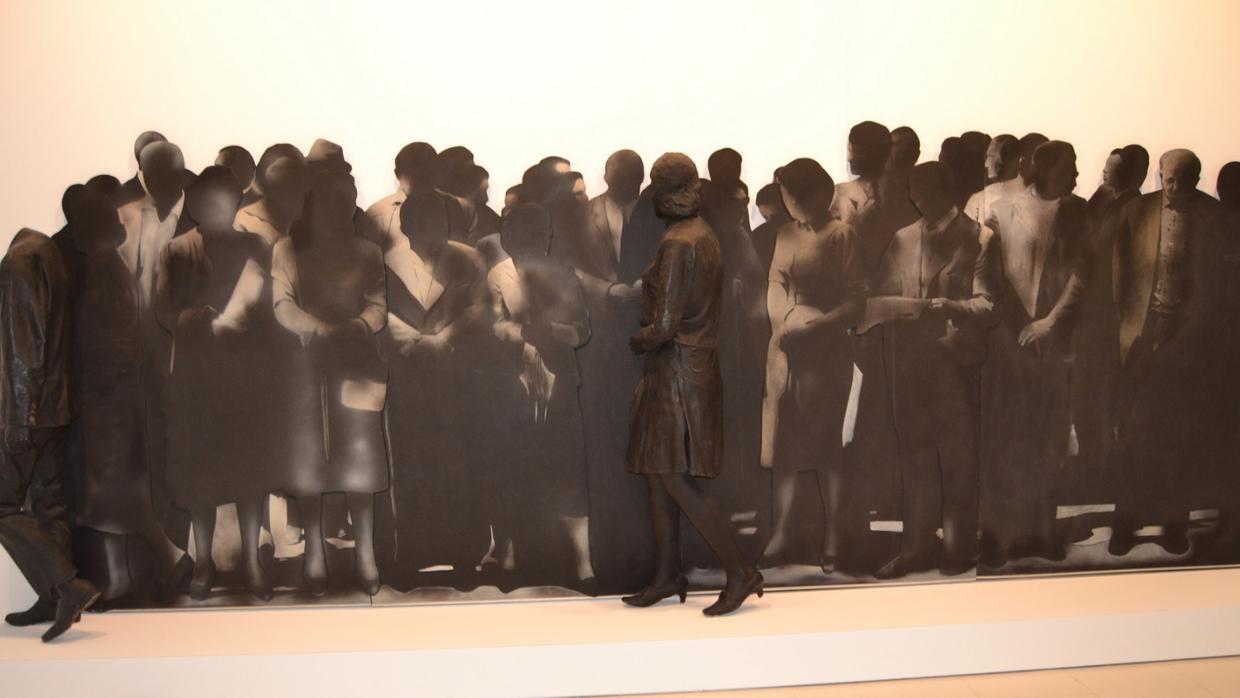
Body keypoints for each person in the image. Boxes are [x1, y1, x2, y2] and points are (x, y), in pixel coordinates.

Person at [623, 153, 762, 616]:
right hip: (688, 367)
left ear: (664, 193)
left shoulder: (679, 243)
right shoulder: (702, 233)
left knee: (672, 477)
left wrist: (634, 338)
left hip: (675, 371)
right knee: (657, 471)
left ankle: (740, 570)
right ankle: (667, 575)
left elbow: (664, 325)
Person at [865, 162, 998, 578]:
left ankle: (958, 548)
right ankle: (916, 548)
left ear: (945, 192)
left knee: (958, 458)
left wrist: (951, 307)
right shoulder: (902, 238)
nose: (915, 199)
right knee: (914, 457)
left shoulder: (980, 238)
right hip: (908, 362)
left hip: (956, 363)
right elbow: (881, 293)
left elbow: (989, 305)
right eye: (912, 191)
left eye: (922, 192)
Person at [155, 167, 281, 601]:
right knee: (200, 475)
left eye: (224, 201)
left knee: (249, 472)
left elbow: (271, 308)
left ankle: (251, 561)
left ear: (236, 203)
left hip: (245, 377)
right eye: (206, 202)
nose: (215, 210)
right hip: (197, 379)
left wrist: (249, 322)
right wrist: (201, 319)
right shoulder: (177, 250)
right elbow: (163, 311)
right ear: (194, 205)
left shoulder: (255, 246)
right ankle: (204, 561)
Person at [70, 190, 190, 603]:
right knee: (114, 497)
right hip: (116, 399)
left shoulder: (104, 271)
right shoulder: (112, 266)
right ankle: (139, 571)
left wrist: (98, 386)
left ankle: (154, 566)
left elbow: (114, 343)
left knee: (109, 494)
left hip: (109, 403)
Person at [272, 172, 388, 595]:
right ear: (312, 206)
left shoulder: (367, 252)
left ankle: (366, 556)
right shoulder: (288, 250)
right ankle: (315, 555)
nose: (337, 212)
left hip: (355, 363)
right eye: (328, 204)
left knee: (360, 462)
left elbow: (378, 304)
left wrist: (359, 325)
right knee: (311, 465)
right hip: (307, 367)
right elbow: (281, 301)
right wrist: (315, 328)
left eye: (345, 203)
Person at [980, 141, 1088, 566]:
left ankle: (1042, 532)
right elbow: (988, 275)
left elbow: (1082, 274)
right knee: (1007, 437)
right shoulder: (1001, 209)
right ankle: (1000, 535)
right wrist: (1013, 329)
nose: (1075, 174)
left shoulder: (1078, 212)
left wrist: (1049, 323)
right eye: (1069, 167)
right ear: (1043, 169)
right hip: (1008, 343)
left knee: (1048, 437)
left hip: (1054, 342)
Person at [375, 190, 490, 590]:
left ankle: (464, 556)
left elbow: (480, 307)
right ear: (406, 227)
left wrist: (445, 339)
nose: (434, 229)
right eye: (424, 222)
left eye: (440, 221)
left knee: (460, 463)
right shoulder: (387, 262)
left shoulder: (468, 258)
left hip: (457, 376)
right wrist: (416, 342)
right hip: (407, 378)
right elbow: (381, 311)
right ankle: (411, 554)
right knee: (412, 463)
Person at [1109, 149, 1222, 557]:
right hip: (1140, 334)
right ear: (1159, 176)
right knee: (1131, 433)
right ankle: (1126, 521)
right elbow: (1119, 274)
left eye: (1183, 181)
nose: (1174, 189)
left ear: (1197, 179)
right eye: (1168, 180)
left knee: (1178, 433)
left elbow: (1214, 284)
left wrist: (1190, 332)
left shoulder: (1213, 216)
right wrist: (1127, 326)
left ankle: (1175, 524)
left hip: (1187, 339)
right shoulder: (1135, 211)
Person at [760, 158, 867, 571]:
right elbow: (775, 282)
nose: (787, 203)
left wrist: (817, 326)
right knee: (785, 447)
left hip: (826, 351)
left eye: (790, 196)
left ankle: (833, 537)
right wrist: (781, 322)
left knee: (827, 448)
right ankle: (780, 534)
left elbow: (856, 300)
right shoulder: (785, 233)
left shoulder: (842, 235)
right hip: (785, 349)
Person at [568, 150, 666, 593]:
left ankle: (648, 545)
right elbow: (572, 267)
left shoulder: (655, 215)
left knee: (642, 432)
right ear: (605, 174)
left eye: (632, 176)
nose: (623, 181)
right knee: (605, 435)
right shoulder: (584, 214)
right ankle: (611, 540)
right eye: (617, 174)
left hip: (645, 332)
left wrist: (643, 290)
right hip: (599, 333)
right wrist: (607, 291)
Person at [488, 203, 596, 590]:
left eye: (543, 233)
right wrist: (522, 334)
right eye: (532, 234)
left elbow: (582, 330)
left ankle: (582, 561)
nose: (541, 240)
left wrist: (554, 332)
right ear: (510, 238)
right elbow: (491, 325)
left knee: (567, 467)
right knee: (512, 465)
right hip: (512, 382)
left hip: (560, 379)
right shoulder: (497, 275)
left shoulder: (564, 273)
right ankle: (510, 554)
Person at [0, 227, 101, 642]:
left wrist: (20, 418)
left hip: (31, 409)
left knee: (3, 502)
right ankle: (53, 597)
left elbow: (25, 348)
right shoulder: (50, 257)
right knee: (49, 505)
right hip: (56, 407)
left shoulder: (18, 263)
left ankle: (66, 584)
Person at [116, 140, 195, 555]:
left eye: (168, 176)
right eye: (151, 177)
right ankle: (160, 548)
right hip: (137, 357)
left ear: (181, 175)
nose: (159, 185)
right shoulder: (126, 218)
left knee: (182, 450)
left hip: (188, 356)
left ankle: (183, 544)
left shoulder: (199, 218)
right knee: (147, 449)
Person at [362, 142, 469, 247]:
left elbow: (462, 247)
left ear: (436, 171)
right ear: (398, 173)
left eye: (427, 169)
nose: (421, 175)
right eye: (414, 169)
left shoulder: (453, 205)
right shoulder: (379, 213)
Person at [832, 121, 894, 278]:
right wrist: (854, 226)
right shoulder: (838, 193)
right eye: (849, 150)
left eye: (856, 151)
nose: (849, 158)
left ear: (880, 154)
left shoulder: (905, 193)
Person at [964, 134, 1022, 225]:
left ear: (1008, 159)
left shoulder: (979, 199)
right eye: (987, 157)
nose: (986, 164)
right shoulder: (978, 200)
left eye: (991, 156)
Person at [751, 182, 788, 273]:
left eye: (775, 218)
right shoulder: (758, 235)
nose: (771, 224)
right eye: (765, 218)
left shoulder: (757, 235)